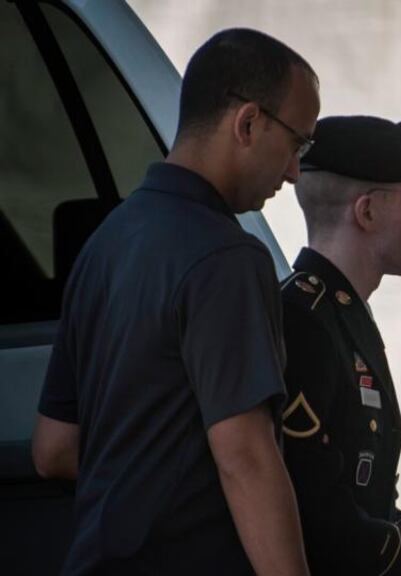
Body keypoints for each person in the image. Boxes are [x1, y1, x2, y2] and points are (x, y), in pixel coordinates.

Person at [31, 28, 319, 575]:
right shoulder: (226, 257)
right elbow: (246, 456)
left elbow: (53, 447)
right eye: (297, 144)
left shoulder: (104, 243)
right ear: (249, 123)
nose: (294, 171)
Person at [281, 115, 401, 576]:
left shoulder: (340, 315)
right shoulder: (301, 320)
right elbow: (313, 512)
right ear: (366, 212)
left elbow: (360, 491)